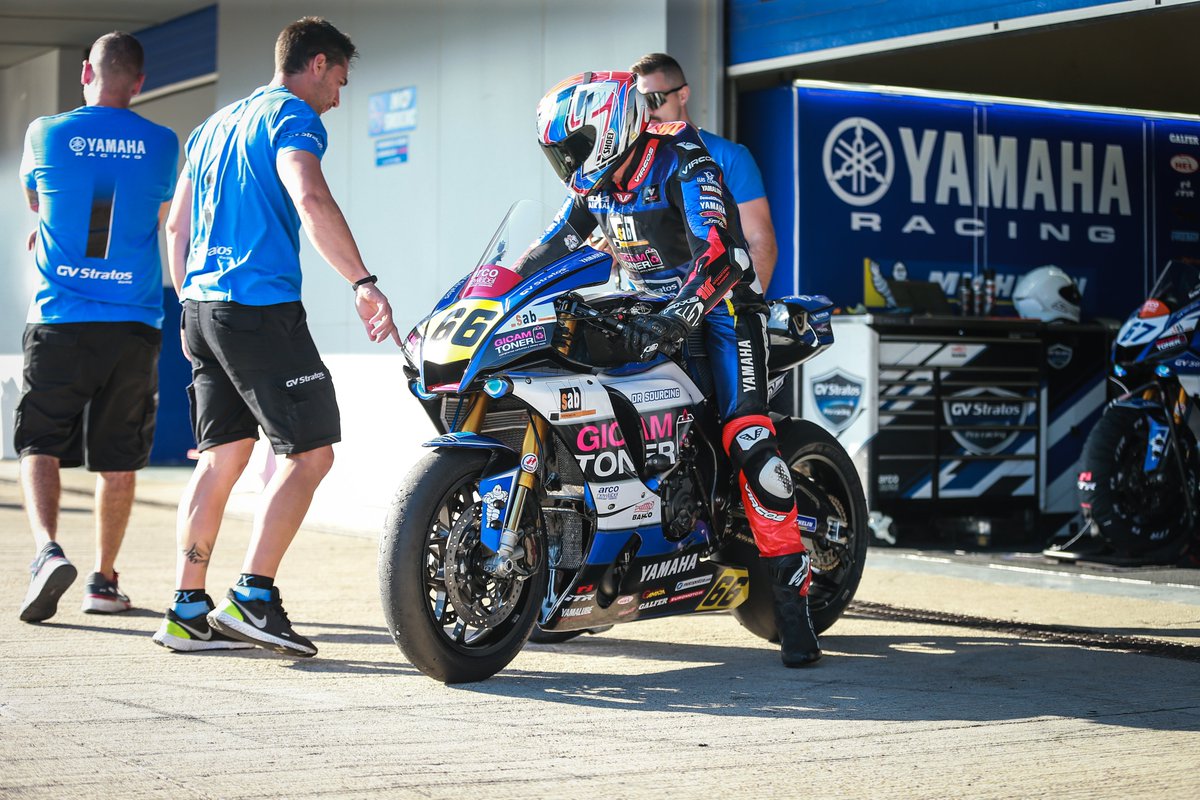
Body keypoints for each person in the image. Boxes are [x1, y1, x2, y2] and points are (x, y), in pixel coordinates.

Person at [535, 72, 820, 667]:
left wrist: (679, 315)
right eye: (558, 152)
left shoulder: (684, 160)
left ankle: (794, 610)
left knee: (749, 441)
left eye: (574, 147)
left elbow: (723, 254)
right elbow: (553, 245)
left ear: (610, 130)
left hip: (723, 312)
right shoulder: (598, 183)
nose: (568, 162)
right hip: (649, 310)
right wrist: (490, 293)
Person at [153, 17, 398, 657]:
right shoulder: (292, 116)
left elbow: (176, 226)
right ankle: (253, 597)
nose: (338, 98)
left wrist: (187, 305)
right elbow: (309, 196)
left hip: (202, 309)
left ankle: (186, 612)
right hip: (258, 309)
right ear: (316, 64)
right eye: (339, 81)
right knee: (311, 453)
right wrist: (362, 281)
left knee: (222, 457)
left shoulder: (213, 126)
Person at [16, 32, 179, 623]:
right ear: (140, 83)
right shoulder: (163, 143)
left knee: (39, 442)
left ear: (86, 72)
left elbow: (39, 204)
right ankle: (104, 582)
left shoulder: (46, 132)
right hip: (132, 320)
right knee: (119, 458)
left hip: (59, 316)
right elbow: (158, 215)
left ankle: (47, 551)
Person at [630, 52, 778, 291]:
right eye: (640, 103)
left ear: (683, 95)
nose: (648, 111)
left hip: (712, 300)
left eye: (654, 100)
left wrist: (750, 307)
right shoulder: (632, 162)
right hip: (647, 303)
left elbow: (760, 241)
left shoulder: (730, 156)